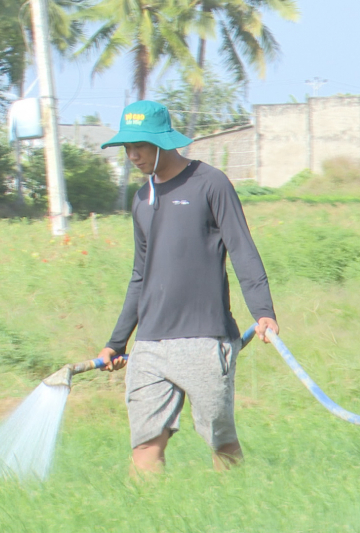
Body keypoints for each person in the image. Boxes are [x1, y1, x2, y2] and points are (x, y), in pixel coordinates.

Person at [97, 100, 279, 474]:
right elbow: (139, 276)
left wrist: (263, 312)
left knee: (220, 441)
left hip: (204, 339)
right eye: (127, 148)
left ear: (164, 142)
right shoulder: (141, 200)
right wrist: (117, 342)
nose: (132, 156)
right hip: (149, 344)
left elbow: (242, 251)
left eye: (140, 146)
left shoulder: (210, 183)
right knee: (146, 443)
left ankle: (236, 510)